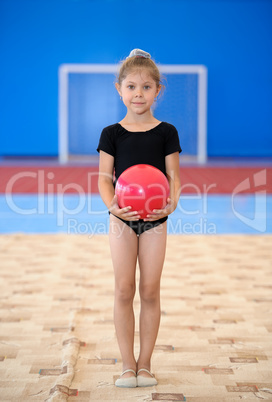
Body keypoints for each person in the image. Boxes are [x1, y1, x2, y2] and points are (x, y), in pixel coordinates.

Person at [97, 48, 181, 388]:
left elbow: (174, 176)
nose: (138, 94)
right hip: (121, 219)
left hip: (155, 221)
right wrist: (112, 207)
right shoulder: (111, 133)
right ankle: (126, 366)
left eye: (146, 87)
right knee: (123, 289)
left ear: (157, 91)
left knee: (149, 289)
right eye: (131, 87)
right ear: (119, 89)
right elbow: (105, 177)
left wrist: (172, 203)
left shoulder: (167, 132)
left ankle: (145, 364)